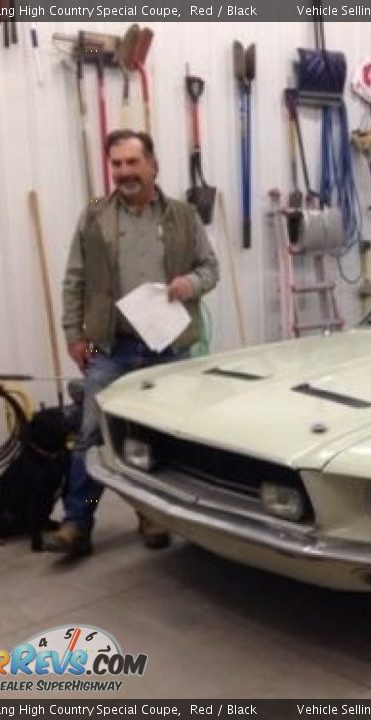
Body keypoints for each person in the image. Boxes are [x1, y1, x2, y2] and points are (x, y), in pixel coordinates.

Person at [44, 129, 219, 556]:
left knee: (158, 439)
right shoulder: (94, 216)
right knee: (90, 438)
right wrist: (73, 334)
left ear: (152, 164)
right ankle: (78, 523)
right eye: (116, 164)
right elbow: (75, 280)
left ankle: (152, 516)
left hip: (169, 348)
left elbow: (211, 268)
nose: (124, 172)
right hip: (110, 346)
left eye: (131, 162)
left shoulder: (183, 215)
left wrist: (189, 283)